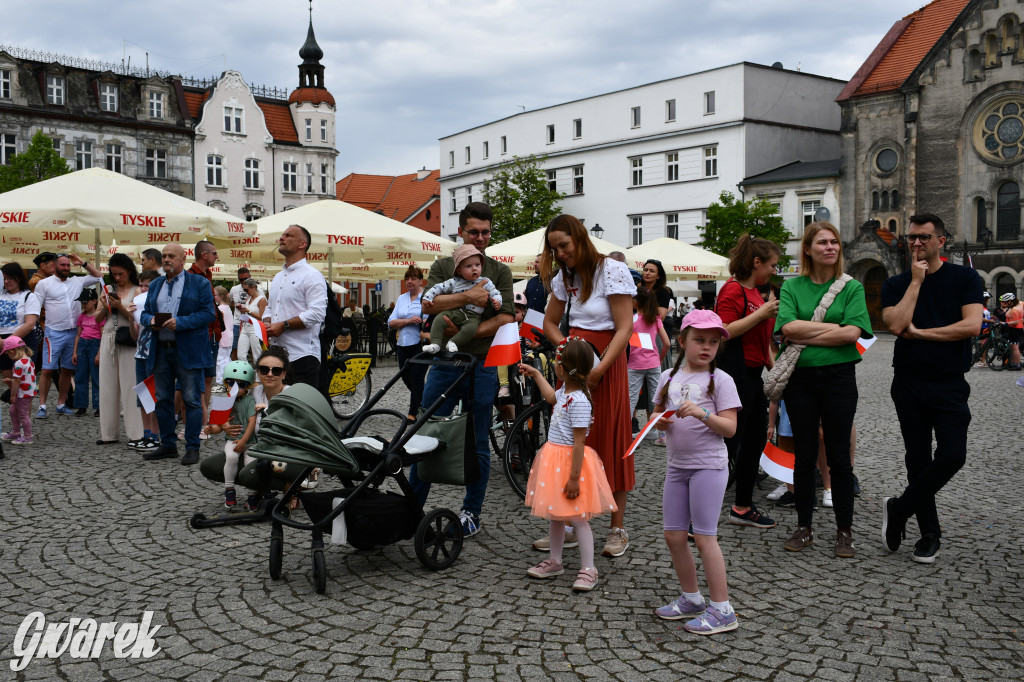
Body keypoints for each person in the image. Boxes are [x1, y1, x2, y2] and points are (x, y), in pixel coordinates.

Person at [880, 213, 984, 564]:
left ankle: (899, 509)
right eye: (911, 237)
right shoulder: (897, 283)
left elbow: (971, 326)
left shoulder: (964, 277)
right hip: (908, 382)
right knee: (917, 458)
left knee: (953, 455)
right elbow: (896, 325)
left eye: (924, 237)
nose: (916, 243)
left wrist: (923, 334)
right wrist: (915, 282)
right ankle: (929, 533)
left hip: (950, 382)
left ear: (941, 241)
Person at [409, 202, 514, 536]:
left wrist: (467, 332)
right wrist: (470, 297)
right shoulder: (443, 265)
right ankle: (411, 509)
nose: (480, 238)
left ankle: (472, 513)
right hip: (444, 364)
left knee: (478, 440)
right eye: (474, 232)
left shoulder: (499, 271)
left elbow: (506, 317)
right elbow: (429, 305)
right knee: (426, 432)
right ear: (461, 231)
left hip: (482, 364)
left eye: (485, 232)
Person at [775, 222, 872, 558]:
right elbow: (787, 328)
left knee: (839, 457)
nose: (830, 247)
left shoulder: (851, 287)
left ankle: (844, 531)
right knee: (803, 455)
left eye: (834, 242)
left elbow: (852, 334)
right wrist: (834, 328)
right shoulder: (792, 286)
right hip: (800, 380)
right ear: (808, 249)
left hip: (839, 378)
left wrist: (807, 332)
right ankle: (804, 526)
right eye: (823, 242)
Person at [541, 214, 635, 557]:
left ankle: (616, 528)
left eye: (564, 245)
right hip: (575, 363)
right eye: (554, 249)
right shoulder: (564, 278)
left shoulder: (611, 269)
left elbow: (624, 327)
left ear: (580, 238)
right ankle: (569, 523)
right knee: (570, 442)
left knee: (610, 439)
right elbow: (550, 323)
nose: (560, 254)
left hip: (607, 360)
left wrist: (598, 370)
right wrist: (567, 348)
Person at [652, 310, 741, 634]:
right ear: (682, 341)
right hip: (676, 467)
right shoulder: (668, 377)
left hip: (708, 467)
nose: (706, 347)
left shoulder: (721, 380)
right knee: (674, 536)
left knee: (704, 538)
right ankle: (691, 598)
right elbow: (656, 414)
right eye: (699, 340)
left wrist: (703, 413)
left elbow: (730, 428)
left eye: (713, 342)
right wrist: (660, 422)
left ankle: (723, 610)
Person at [521, 337, 617, 592]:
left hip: (570, 465)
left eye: (556, 361)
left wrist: (574, 479)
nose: (554, 365)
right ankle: (555, 560)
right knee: (556, 514)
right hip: (555, 461)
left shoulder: (580, 401)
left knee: (577, 518)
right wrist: (535, 374)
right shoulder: (565, 391)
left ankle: (589, 569)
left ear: (562, 368)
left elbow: (579, 444)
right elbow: (550, 397)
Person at [715, 234, 781, 530]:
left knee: (754, 443)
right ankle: (695, 514)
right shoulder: (734, 289)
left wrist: (775, 370)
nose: (774, 271)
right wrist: (763, 313)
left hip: (752, 377)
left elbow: (762, 340)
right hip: (735, 376)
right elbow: (724, 330)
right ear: (756, 262)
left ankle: (742, 507)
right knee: (727, 444)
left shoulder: (755, 293)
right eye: (772, 265)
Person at [140, 244, 217, 465]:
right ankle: (168, 444)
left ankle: (192, 447)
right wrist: (150, 320)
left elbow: (208, 314)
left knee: (191, 400)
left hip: (188, 349)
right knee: (163, 399)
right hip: (161, 348)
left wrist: (181, 322)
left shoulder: (200, 283)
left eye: (171, 256)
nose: (166, 259)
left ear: (183, 259)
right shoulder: (156, 284)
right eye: (164, 256)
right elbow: (145, 313)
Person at [33, 253, 103, 418]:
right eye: (62, 265)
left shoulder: (76, 281)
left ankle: (61, 404)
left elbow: (99, 276)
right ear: (54, 266)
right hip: (53, 332)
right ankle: (42, 406)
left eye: (68, 265)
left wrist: (83, 263)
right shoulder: (44, 284)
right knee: (47, 370)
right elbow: (35, 307)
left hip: (74, 332)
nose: (66, 268)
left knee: (67, 369)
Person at [264, 224, 327, 388]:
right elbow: (270, 307)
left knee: (300, 403)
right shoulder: (278, 277)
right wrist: (267, 323)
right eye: (282, 234)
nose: (282, 238)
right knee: (278, 402)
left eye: (288, 235)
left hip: (302, 356)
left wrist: (284, 325)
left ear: (302, 244)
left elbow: (317, 313)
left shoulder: (312, 276)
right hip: (277, 357)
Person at [94, 253, 145, 447]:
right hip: (108, 337)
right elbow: (97, 319)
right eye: (114, 274)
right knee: (107, 386)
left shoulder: (137, 290)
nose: (117, 277)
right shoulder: (107, 289)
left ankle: (136, 433)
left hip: (128, 339)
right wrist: (105, 306)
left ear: (129, 271)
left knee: (131, 385)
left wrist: (120, 307)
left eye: (120, 274)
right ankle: (108, 433)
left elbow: (138, 318)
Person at [421, 244, 502, 354]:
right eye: (468, 266)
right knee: (439, 319)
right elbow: (439, 287)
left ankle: (454, 342)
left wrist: (497, 301)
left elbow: (495, 292)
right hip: (455, 311)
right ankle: (435, 344)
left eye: (477, 265)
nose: (474, 268)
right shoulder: (455, 281)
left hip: (473, 316)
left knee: (471, 328)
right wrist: (428, 297)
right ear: (459, 270)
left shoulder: (485, 281)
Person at [202, 361, 257, 508]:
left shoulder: (249, 401)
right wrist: (211, 429)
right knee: (231, 457)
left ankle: (253, 495)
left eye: (241, 385)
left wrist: (244, 440)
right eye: (232, 383)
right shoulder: (224, 401)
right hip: (232, 441)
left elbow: (252, 422)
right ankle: (229, 489)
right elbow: (219, 427)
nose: (235, 388)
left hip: (249, 441)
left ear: (248, 387)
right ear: (226, 384)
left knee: (251, 464)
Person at [628, 286, 669, 442]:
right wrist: (659, 359)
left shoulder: (631, 320)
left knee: (630, 400)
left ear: (637, 302)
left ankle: (626, 436)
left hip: (634, 365)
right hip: (653, 364)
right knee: (657, 399)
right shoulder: (655, 318)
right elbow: (666, 343)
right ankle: (661, 435)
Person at [388, 266, 429, 422]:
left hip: (420, 343)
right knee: (405, 376)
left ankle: (413, 414)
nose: (409, 281)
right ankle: (426, 402)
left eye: (413, 278)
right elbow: (391, 322)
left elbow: (430, 319)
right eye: (407, 279)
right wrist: (408, 321)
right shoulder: (401, 298)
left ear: (420, 281)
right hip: (403, 343)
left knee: (417, 376)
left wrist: (423, 321)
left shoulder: (426, 298)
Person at [189, 241, 221, 431]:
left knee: (208, 378)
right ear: (204, 255)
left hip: (212, 334)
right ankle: (195, 420)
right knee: (195, 380)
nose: (217, 257)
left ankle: (204, 417)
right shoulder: (191, 276)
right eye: (214, 253)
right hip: (199, 336)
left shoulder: (208, 275)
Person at [131, 270, 160, 451]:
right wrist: (130, 317)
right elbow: (134, 335)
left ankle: (155, 436)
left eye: (146, 286)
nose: (142, 289)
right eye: (141, 285)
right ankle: (146, 433)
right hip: (140, 354)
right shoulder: (139, 304)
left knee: (154, 396)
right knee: (143, 397)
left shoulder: (159, 304)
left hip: (155, 355)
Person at [0, 263, 42, 388]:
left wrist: (7, 342)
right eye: (4, 279)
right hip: (1, 340)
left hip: (22, 340)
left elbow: (30, 324)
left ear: (18, 278)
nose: (6, 282)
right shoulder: (1, 295)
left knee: (23, 383)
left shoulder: (29, 296)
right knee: (9, 381)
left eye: (10, 278)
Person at [1, 336, 37, 445]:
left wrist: (12, 395)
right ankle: (16, 432)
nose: (8, 356)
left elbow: (17, 381)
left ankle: (27, 436)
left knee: (23, 414)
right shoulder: (29, 360)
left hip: (23, 393)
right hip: (28, 391)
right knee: (13, 411)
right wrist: (12, 380)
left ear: (12, 351)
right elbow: (24, 377)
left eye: (7, 353)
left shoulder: (18, 364)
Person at [71, 288, 101, 417]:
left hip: (95, 345)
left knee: (96, 377)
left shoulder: (100, 316)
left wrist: (99, 353)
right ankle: (81, 405)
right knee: (80, 376)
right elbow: (78, 335)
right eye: (82, 302)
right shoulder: (81, 317)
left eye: (85, 302)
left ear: (94, 301)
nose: (83, 305)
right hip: (82, 346)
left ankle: (99, 406)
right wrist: (75, 352)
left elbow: (103, 335)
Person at [236, 279, 267, 365]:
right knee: (240, 355)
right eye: (244, 290)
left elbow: (262, 317)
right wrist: (242, 310)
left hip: (256, 327)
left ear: (254, 288)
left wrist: (248, 311)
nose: (245, 292)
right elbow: (247, 314)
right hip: (246, 326)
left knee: (257, 355)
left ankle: (258, 373)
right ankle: (246, 372)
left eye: (246, 290)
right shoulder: (248, 298)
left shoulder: (262, 299)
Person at [228, 267, 251, 361]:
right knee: (235, 348)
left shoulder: (258, 289)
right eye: (241, 279)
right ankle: (236, 368)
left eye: (246, 278)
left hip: (252, 323)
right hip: (237, 324)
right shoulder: (234, 289)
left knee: (254, 349)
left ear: (250, 277)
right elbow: (230, 303)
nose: (244, 281)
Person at [214, 287, 234, 384]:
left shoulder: (220, 309)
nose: (214, 297)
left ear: (221, 296)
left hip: (223, 337)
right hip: (229, 337)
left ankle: (220, 381)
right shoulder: (227, 307)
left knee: (220, 360)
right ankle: (228, 378)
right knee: (226, 359)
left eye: (215, 295)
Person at [998, 293, 1022, 370]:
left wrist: (1006, 323)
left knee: (1015, 347)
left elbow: (1016, 321)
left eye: (1006, 302)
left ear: (1010, 301)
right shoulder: (1017, 305)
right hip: (1014, 328)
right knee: (1013, 347)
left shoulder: (1014, 309)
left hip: (1015, 329)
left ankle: (1017, 365)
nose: (1004, 303)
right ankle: (1013, 363)